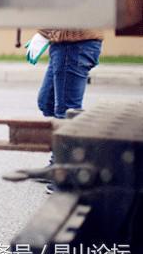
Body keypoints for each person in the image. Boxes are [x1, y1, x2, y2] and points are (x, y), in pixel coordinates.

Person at [25, 29, 104, 193]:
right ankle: (58, 163)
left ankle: (67, 173)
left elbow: (69, 13)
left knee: (66, 112)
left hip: (75, 45)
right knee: (46, 102)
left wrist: (44, 32)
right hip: (62, 45)